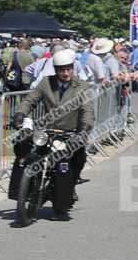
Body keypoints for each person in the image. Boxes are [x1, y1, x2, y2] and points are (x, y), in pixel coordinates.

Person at [13, 50, 93, 216]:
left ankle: (71, 184)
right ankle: (24, 185)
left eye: (69, 69)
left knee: (79, 156)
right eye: (62, 70)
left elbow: (87, 111)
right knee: (23, 144)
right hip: (47, 131)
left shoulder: (82, 86)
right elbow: (30, 100)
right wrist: (20, 114)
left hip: (70, 133)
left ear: (73, 68)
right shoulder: (46, 82)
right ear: (56, 70)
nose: (66, 73)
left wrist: (84, 129)